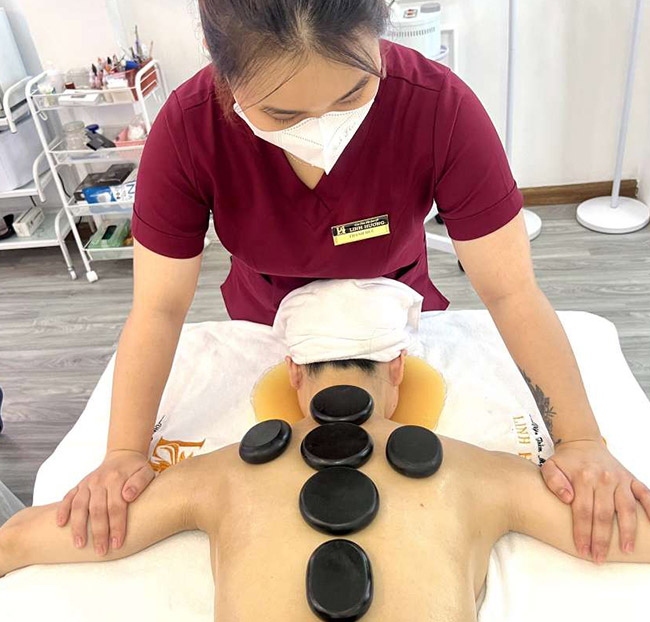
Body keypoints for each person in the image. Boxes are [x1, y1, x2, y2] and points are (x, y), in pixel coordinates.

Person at [54, 1, 649, 562]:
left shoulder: (438, 107)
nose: (322, 129)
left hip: (400, 313)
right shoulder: (189, 130)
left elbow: (511, 290)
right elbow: (158, 308)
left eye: (353, 94)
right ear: (222, 73)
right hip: (266, 323)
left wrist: (580, 441)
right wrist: (123, 453)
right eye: (283, 114)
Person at [2, 353, 650, 621]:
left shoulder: (221, 472)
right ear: (397, 370)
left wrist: (117, 464)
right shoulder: (477, 470)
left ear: (293, 375)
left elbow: (24, 537)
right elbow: (625, 529)